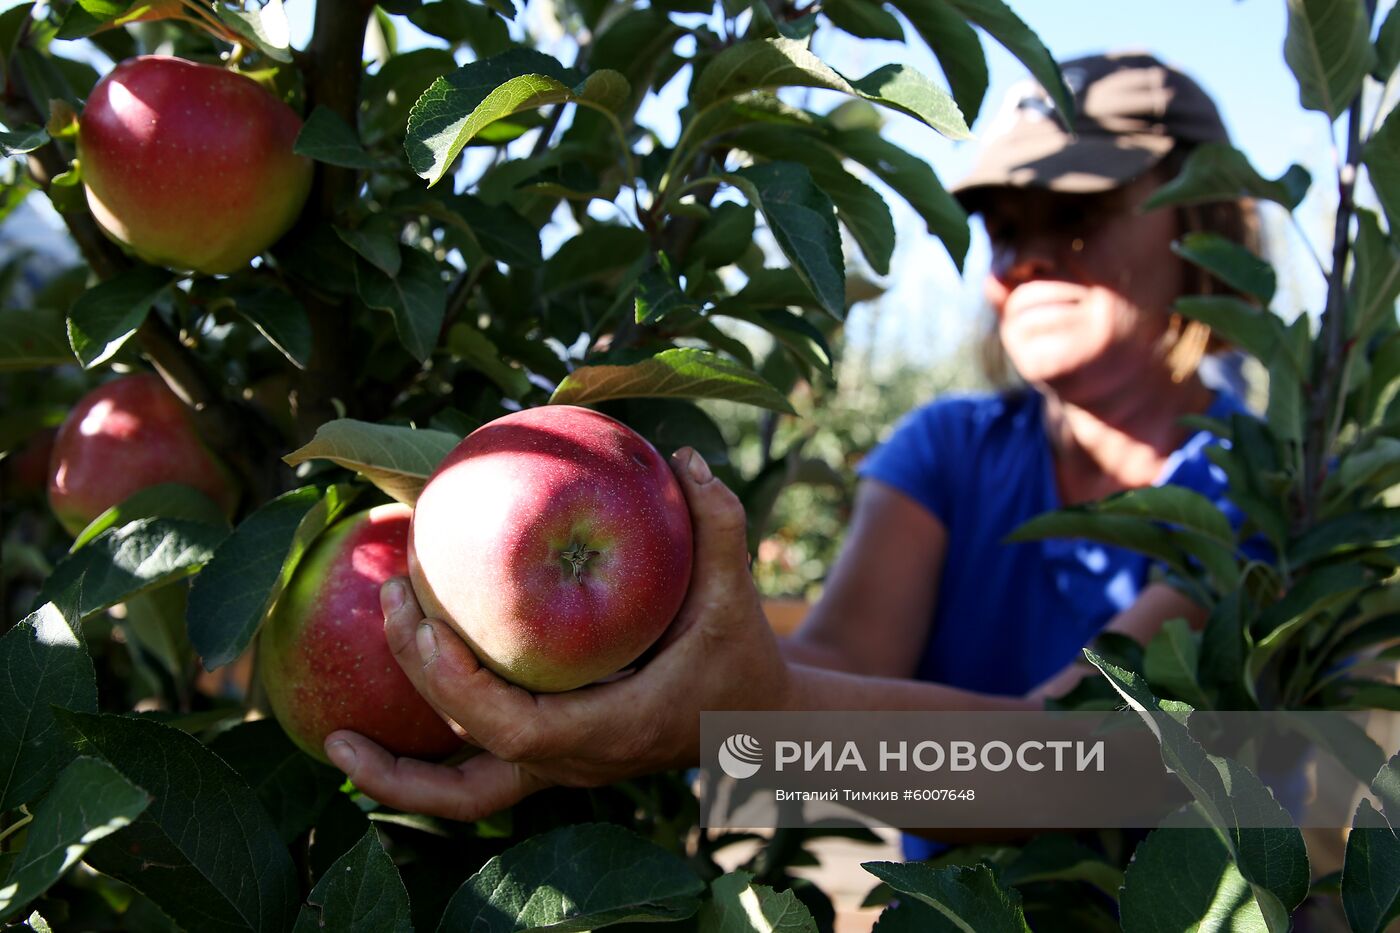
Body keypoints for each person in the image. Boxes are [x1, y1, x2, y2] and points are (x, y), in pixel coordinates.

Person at [319, 53, 1262, 834]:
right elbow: (840, 656)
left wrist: (738, 722)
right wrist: (597, 709)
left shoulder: (1258, 487)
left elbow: (1084, 764)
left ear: (1205, 217)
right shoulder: (951, 447)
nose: (1026, 256)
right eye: (1004, 227)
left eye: (1077, 213)